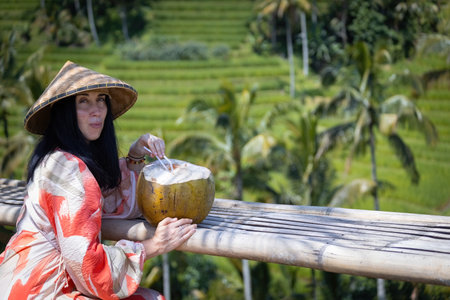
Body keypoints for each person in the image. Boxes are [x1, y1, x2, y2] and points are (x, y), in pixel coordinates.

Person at [0, 61, 196, 299]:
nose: (96, 110)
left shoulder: (61, 160)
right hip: (38, 289)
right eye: (83, 101)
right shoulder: (68, 170)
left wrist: (135, 155)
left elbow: (110, 205)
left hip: (26, 282)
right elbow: (89, 269)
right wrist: (154, 245)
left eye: (101, 99)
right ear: (65, 112)